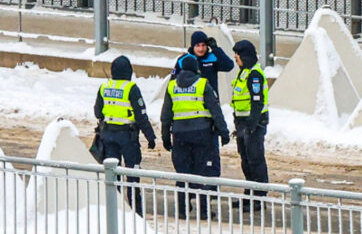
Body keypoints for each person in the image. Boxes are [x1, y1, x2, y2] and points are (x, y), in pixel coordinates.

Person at [161, 55, 230, 219]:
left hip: (179, 136)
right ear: (196, 69)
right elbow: (215, 110)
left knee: (182, 173)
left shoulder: (172, 86)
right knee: (202, 173)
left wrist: (165, 136)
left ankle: (182, 211)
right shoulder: (202, 84)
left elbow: (166, 114)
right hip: (202, 134)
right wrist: (223, 132)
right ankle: (204, 212)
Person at [94, 55, 156, 216]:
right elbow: (141, 115)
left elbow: (97, 111)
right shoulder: (131, 88)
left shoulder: (104, 87)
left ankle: (116, 208)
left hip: (108, 135)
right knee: (133, 174)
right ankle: (136, 211)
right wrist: (150, 137)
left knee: (113, 173)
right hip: (127, 137)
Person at [230, 40, 269, 212]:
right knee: (246, 161)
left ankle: (259, 198)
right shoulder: (243, 73)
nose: (235, 58)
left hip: (253, 124)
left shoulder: (254, 75)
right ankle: (249, 194)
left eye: (237, 55)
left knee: (255, 160)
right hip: (242, 123)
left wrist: (252, 125)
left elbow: (257, 101)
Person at [172, 30, 234, 96]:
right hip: (191, 101)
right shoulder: (183, 59)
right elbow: (172, 82)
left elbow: (229, 66)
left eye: (203, 45)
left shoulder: (213, 57)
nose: (201, 49)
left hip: (210, 101)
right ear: (193, 46)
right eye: (197, 45)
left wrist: (216, 49)